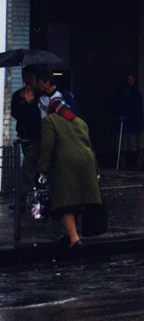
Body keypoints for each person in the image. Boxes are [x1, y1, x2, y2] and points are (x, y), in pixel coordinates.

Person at [37, 97, 102, 251]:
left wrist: (42, 169)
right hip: (86, 163)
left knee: (65, 203)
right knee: (78, 200)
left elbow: (47, 145)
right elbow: (90, 146)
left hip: (65, 165)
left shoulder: (50, 121)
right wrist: (96, 171)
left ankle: (74, 240)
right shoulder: (80, 122)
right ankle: (69, 235)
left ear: (51, 110)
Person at [11, 67, 42, 198]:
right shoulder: (17, 95)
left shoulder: (40, 95)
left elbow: (39, 116)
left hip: (38, 137)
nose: (28, 80)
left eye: (31, 77)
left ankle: (21, 198)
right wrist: (23, 102)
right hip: (24, 136)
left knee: (28, 167)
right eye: (26, 77)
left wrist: (31, 103)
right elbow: (15, 113)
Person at [113, 73, 144, 170]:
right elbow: (117, 104)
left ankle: (132, 162)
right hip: (124, 120)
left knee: (133, 142)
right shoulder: (122, 91)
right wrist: (119, 115)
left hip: (133, 120)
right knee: (123, 142)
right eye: (129, 79)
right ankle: (123, 162)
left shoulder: (135, 92)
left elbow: (139, 107)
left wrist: (140, 119)